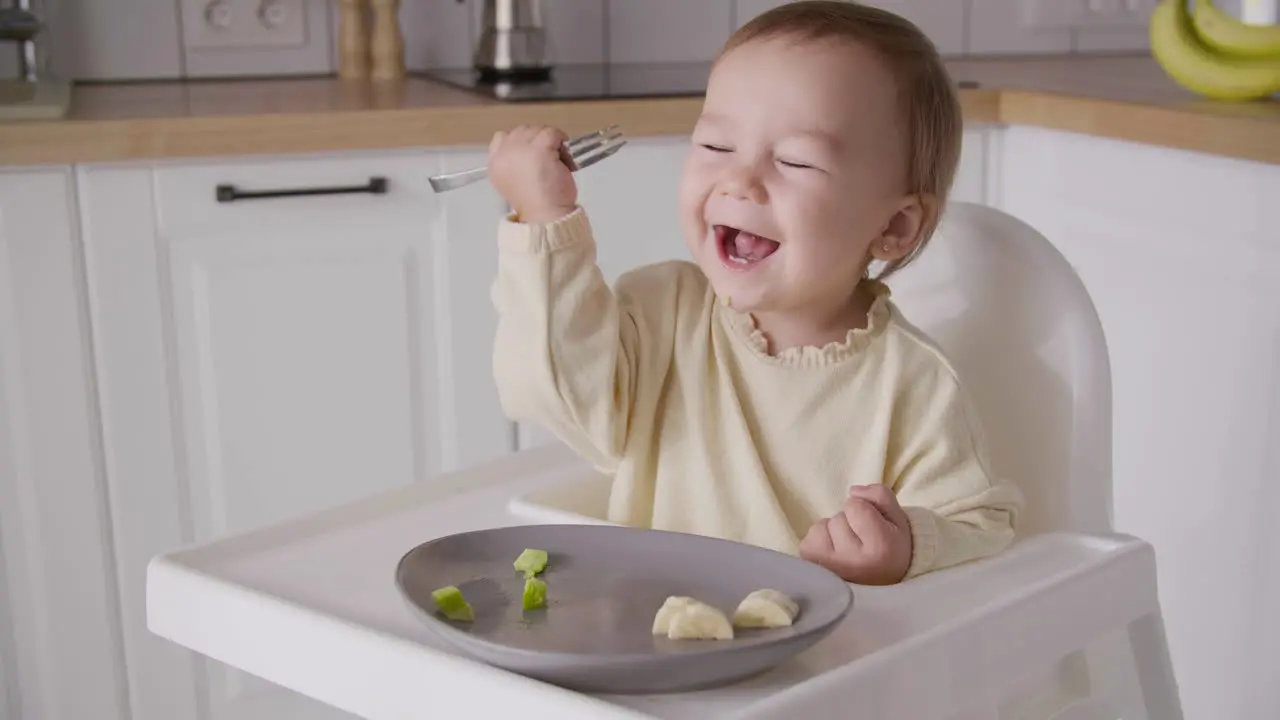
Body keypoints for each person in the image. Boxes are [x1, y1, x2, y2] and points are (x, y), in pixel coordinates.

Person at [485, 0, 1023, 585]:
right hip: (648, 639)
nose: (738, 180)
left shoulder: (915, 384)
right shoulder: (664, 314)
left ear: (892, 227)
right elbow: (552, 393)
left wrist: (905, 547)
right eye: (715, 147)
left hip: (819, 666)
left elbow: (982, 522)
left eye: (795, 160)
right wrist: (544, 222)